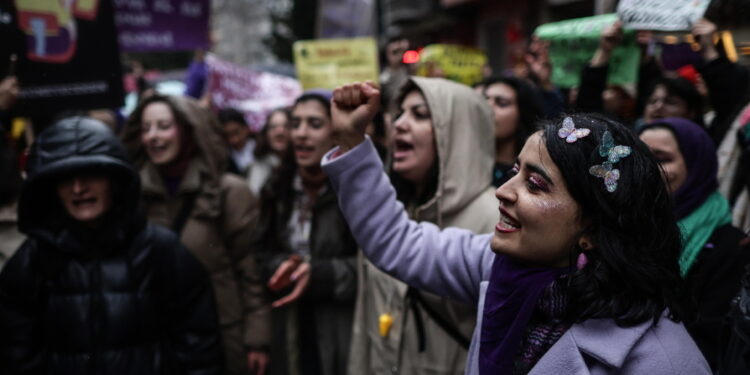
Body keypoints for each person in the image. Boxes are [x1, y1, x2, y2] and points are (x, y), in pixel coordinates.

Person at [325, 81, 711, 374]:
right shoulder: (496, 264)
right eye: (515, 172)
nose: (502, 192)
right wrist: (351, 141)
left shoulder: (664, 360)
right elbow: (396, 240)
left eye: (536, 184)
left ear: (593, 228)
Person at [0, 117, 223, 374]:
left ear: (114, 180)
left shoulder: (161, 250)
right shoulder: (33, 260)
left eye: (91, 174)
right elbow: (17, 353)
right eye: (65, 179)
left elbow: (199, 347)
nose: (78, 188)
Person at [348, 77, 497, 375]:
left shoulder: (496, 219)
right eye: (400, 113)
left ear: (458, 131)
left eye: (419, 114)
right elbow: (364, 323)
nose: (399, 124)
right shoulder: (391, 213)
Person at [122, 95, 270, 375]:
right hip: (155, 342)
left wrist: (257, 341)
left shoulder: (230, 193)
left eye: (164, 126)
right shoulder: (131, 198)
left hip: (222, 339)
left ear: (190, 131)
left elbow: (250, 272)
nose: (153, 136)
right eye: (146, 128)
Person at [252, 91, 357, 375]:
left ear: (336, 133)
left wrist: (318, 274)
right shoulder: (276, 191)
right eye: (295, 123)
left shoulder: (355, 193)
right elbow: (258, 256)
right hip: (288, 326)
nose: (300, 134)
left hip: (341, 330)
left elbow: (373, 269)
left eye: (314, 124)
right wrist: (280, 267)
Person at [638, 117, 750, 370]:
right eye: (640, 157)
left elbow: (709, 342)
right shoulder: (615, 227)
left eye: (662, 159)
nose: (647, 168)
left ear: (697, 168)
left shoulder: (730, 248)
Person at [482, 76, 543, 186]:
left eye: (502, 103)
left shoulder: (536, 174)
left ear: (522, 115)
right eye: (483, 100)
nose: (487, 107)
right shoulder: (463, 163)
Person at [246, 108, 291, 196]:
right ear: (266, 133)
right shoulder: (257, 167)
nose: (280, 132)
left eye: (286, 126)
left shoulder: (302, 167)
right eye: (273, 127)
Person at [218, 107, 256, 176]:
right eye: (227, 135)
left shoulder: (261, 148)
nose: (234, 140)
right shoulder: (224, 157)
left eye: (236, 132)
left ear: (246, 128)